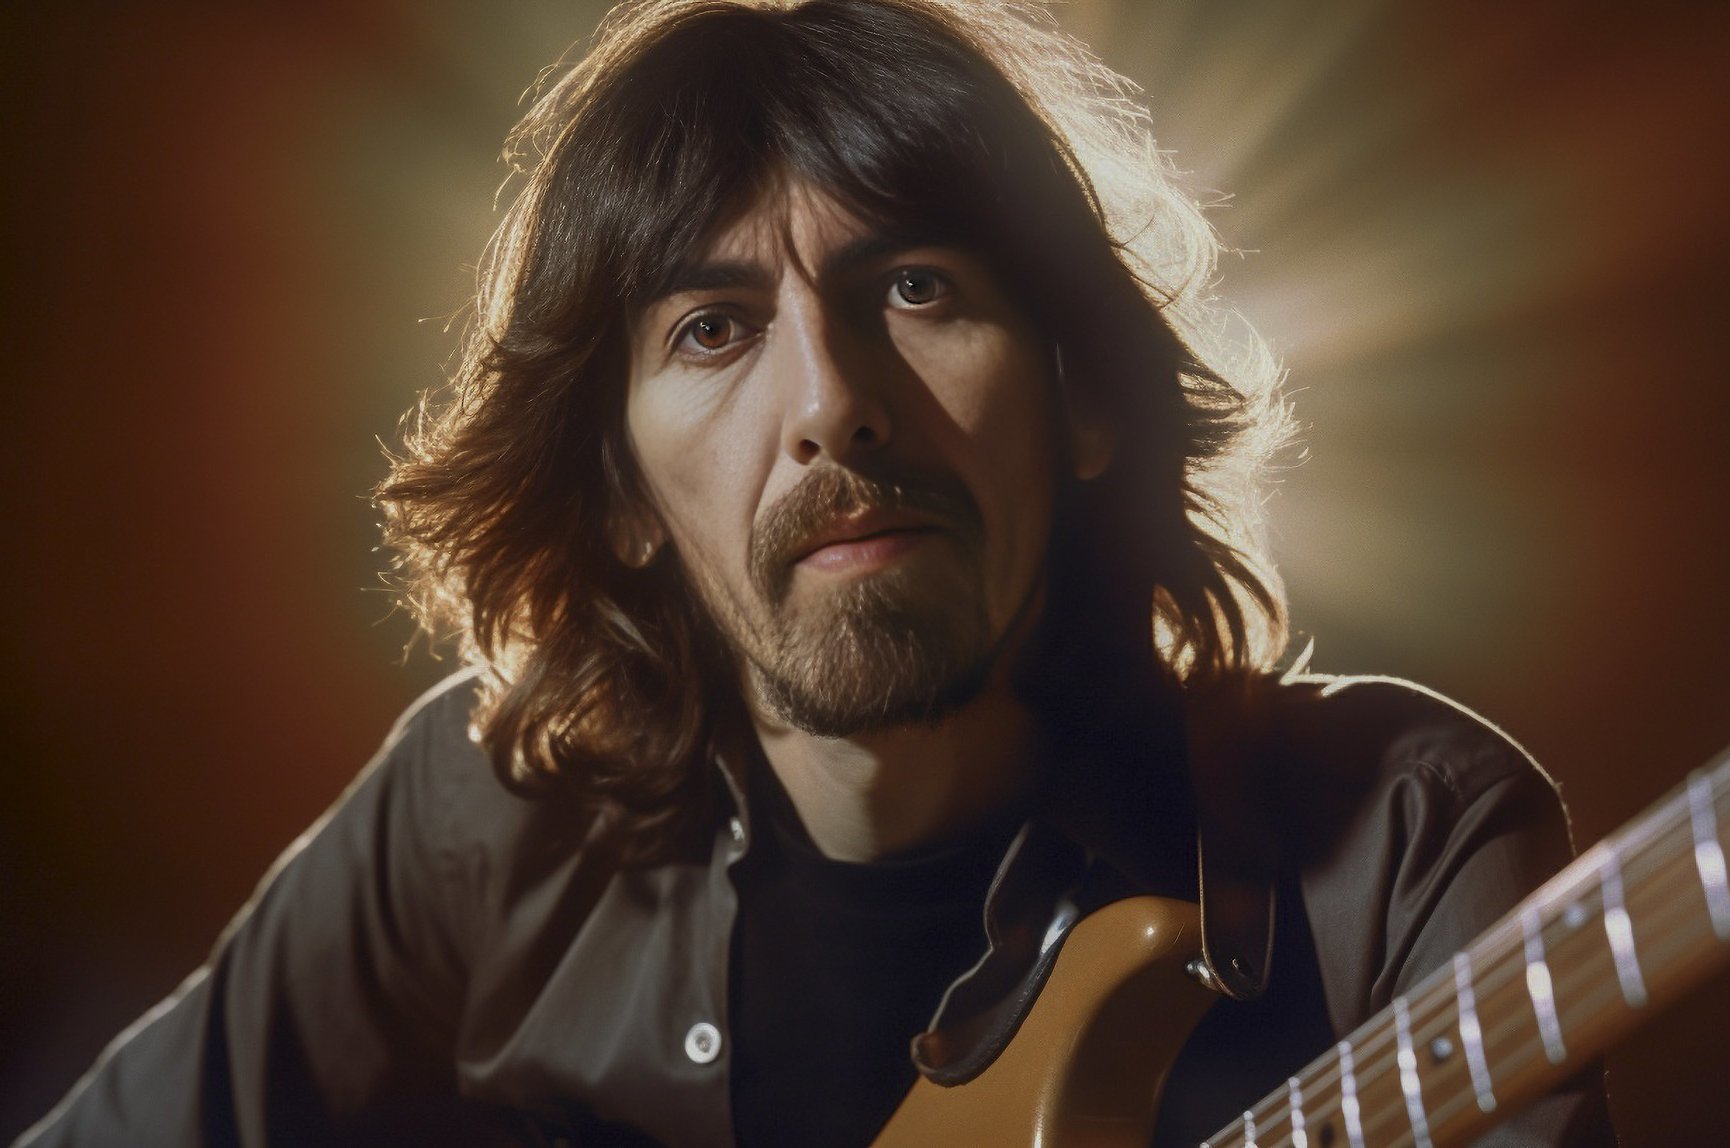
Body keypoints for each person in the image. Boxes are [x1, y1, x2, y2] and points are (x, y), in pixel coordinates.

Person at [16, 0, 1614, 1145]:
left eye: (915, 287)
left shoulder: (1403, 840)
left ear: (1083, 401)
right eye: (713, 329)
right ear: (620, 495)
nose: (831, 401)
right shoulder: (481, 821)